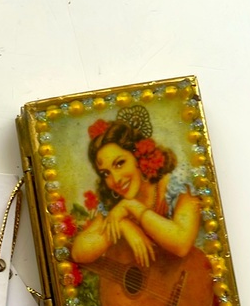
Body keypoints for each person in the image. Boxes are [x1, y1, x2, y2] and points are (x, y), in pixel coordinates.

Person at [71, 107, 200, 269]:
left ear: (139, 156)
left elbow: (181, 244)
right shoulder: (115, 204)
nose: (116, 180)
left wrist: (132, 207)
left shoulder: (175, 185)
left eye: (120, 163)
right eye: (106, 173)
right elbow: (78, 253)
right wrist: (123, 224)